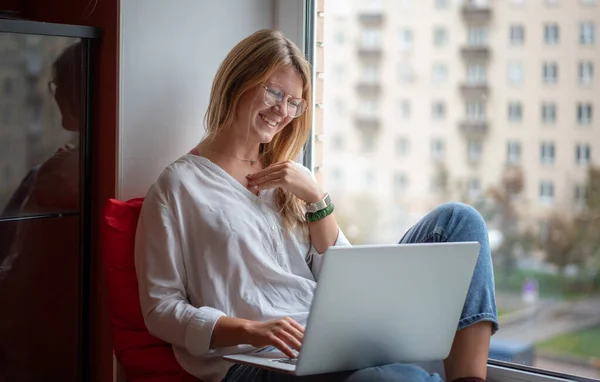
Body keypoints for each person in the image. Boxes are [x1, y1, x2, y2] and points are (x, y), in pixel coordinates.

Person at [134, 29, 499, 382]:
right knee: (393, 379)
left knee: (460, 220)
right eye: (274, 92)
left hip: (332, 340)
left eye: (294, 102)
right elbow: (161, 309)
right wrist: (253, 329)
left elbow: (340, 277)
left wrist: (317, 200)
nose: (283, 111)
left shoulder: (293, 179)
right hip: (254, 362)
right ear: (237, 81)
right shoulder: (178, 187)